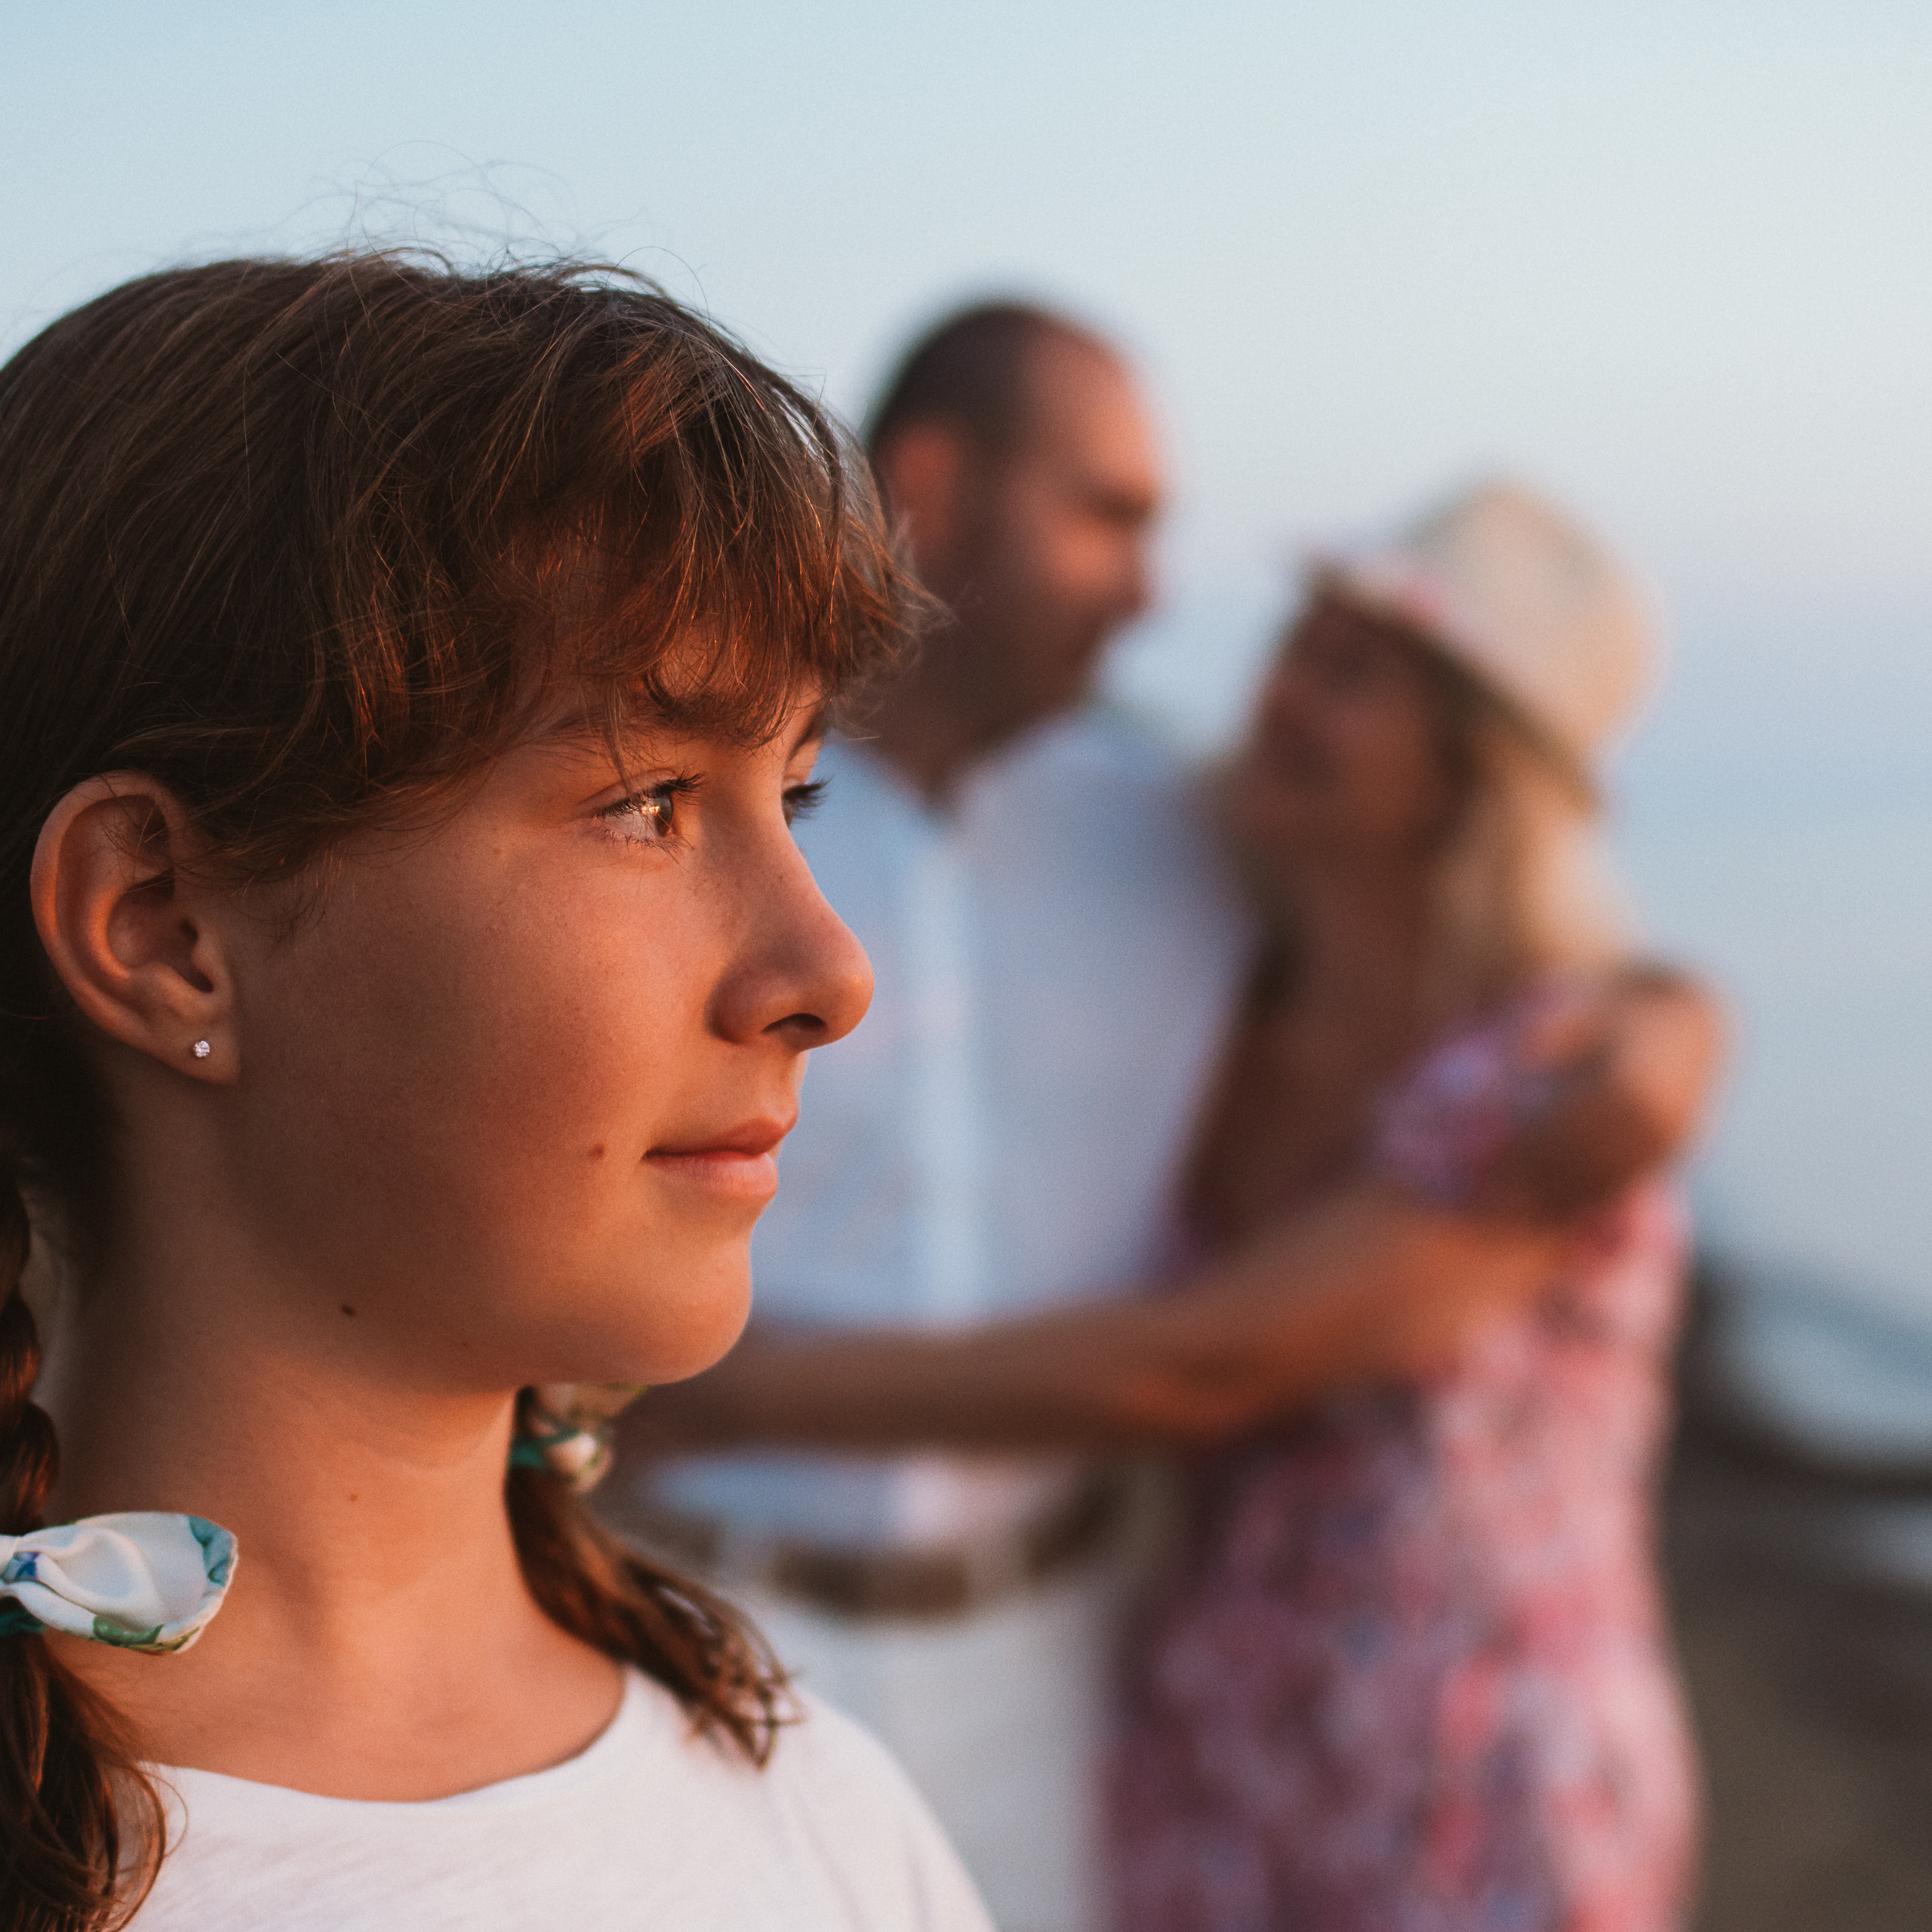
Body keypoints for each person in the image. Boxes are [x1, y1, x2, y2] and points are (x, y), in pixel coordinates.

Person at [0, 252, 996, 1932]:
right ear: (163, 926)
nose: (829, 972)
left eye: (798, 794)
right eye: (647, 798)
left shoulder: (817, 1819)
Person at [638, 482, 1724, 1930]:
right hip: (1213, 1731)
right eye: (1299, 643)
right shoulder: (1228, 973)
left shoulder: (1543, 1076)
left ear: (1468, 767)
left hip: (1467, 1750)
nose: (1283, 693)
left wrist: (724, 1388)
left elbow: (1207, 1364)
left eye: (1352, 675)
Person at [604, 303, 1252, 1932]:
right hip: (688, 1612)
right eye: (1107, 513)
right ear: (937, 486)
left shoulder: (1192, 853)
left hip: (1049, 1659)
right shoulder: (667, 837)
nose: (1146, 589)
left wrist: (1665, 1016)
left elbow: (1480, 973)